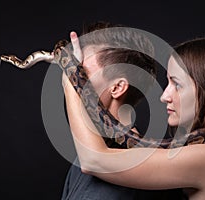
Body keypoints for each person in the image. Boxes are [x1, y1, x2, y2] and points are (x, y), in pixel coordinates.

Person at [62, 35, 205, 200]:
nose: (164, 96)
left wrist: (71, 76)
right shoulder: (183, 151)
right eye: (167, 83)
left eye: (177, 84)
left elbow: (94, 160)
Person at [61, 21, 185, 200]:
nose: (74, 75)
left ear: (117, 87)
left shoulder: (127, 168)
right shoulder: (85, 155)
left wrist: (69, 76)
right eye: (75, 69)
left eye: (82, 71)